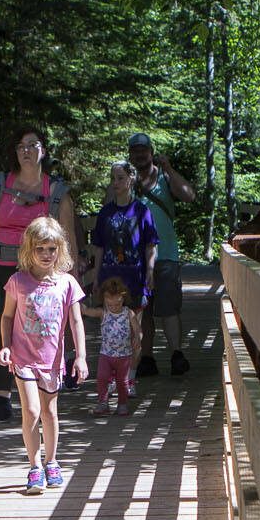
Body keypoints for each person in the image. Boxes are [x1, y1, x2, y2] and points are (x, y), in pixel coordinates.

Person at [0, 127, 75, 423]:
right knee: (3, 327)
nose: (26, 151)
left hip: (41, 272)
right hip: (3, 269)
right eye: (20, 146)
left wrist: (68, 278)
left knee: (45, 327)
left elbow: (68, 240)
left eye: (32, 145)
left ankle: (47, 386)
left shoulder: (57, 192)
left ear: (43, 151)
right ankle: (2, 397)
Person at [0, 216, 87, 493]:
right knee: (32, 410)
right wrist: (6, 345)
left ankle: (52, 461)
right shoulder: (17, 282)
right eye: (40, 249)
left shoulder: (67, 283)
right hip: (22, 358)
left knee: (49, 412)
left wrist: (80, 356)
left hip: (52, 359)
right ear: (28, 250)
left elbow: (76, 322)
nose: (46, 255)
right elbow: (7, 317)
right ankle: (34, 466)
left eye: (51, 249)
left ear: (60, 249)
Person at [123, 132, 197, 377]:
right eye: (135, 151)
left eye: (144, 150)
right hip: (135, 258)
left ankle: (176, 354)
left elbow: (188, 195)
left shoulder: (165, 177)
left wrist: (169, 168)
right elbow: (109, 206)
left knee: (169, 308)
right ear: (130, 155)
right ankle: (147, 357)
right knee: (143, 308)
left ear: (151, 152)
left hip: (165, 254)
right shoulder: (127, 180)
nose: (140, 154)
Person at [89, 160, 158, 317]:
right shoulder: (105, 213)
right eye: (113, 178)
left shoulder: (142, 211)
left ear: (131, 178)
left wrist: (150, 271)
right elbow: (99, 247)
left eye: (120, 178)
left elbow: (150, 245)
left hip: (134, 277)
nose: (115, 182)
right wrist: (96, 277)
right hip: (110, 278)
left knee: (135, 327)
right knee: (112, 327)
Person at [90, 275, 143, 416]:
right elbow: (86, 311)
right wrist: (76, 303)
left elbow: (138, 330)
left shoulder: (128, 313)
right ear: (104, 300)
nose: (114, 307)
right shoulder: (103, 313)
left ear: (123, 299)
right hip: (106, 354)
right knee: (102, 377)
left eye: (117, 304)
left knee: (122, 381)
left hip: (124, 355)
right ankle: (103, 403)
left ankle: (123, 404)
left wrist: (138, 338)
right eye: (110, 304)